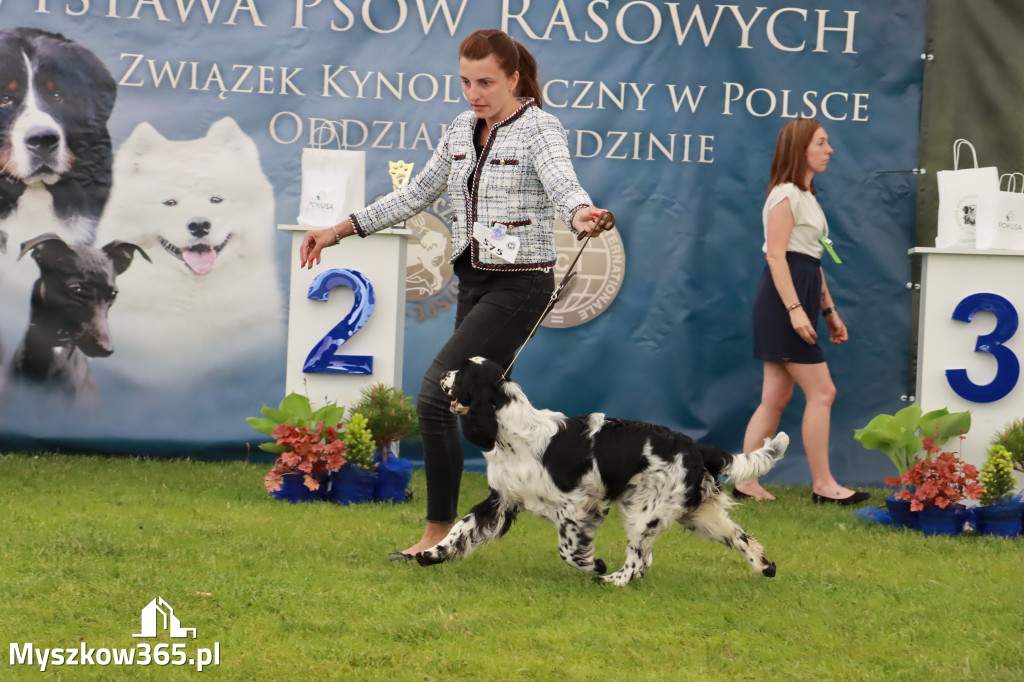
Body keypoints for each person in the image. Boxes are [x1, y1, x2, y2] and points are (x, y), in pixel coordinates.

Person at [299, 29, 615, 556]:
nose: (475, 92)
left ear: (513, 79)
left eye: (486, 82)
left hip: (521, 286)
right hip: (473, 280)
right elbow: (417, 193)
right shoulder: (459, 130)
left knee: (437, 397)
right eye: (466, 81)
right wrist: (339, 229)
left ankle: (439, 531)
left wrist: (583, 214)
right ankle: (528, 503)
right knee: (487, 416)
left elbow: (564, 184)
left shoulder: (540, 129)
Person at [732, 118, 868, 505]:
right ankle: (824, 485)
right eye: (821, 143)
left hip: (800, 297)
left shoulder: (807, 196)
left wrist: (828, 311)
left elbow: (812, 260)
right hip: (782, 302)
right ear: (800, 149)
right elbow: (778, 256)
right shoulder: (784, 195)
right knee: (823, 391)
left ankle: (745, 481)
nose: (830, 150)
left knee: (774, 398)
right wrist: (794, 310)